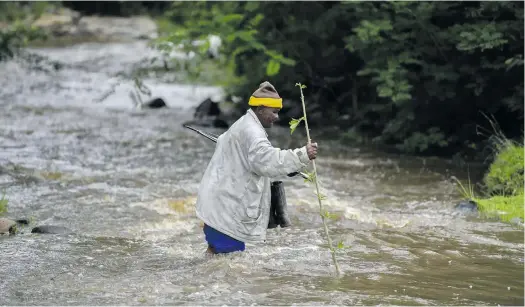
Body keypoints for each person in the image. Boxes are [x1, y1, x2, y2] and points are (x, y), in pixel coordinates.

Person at [195, 81, 318, 254]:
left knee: (215, 258)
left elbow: (258, 159)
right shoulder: (252, 132)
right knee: (229, 264)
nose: (276, 117)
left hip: (219, 206)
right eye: (273, 112)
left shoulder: (243, 124)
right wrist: (303, 154)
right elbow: (268, 161)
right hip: (227, 211)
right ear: (260, 109)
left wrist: (288, 166)